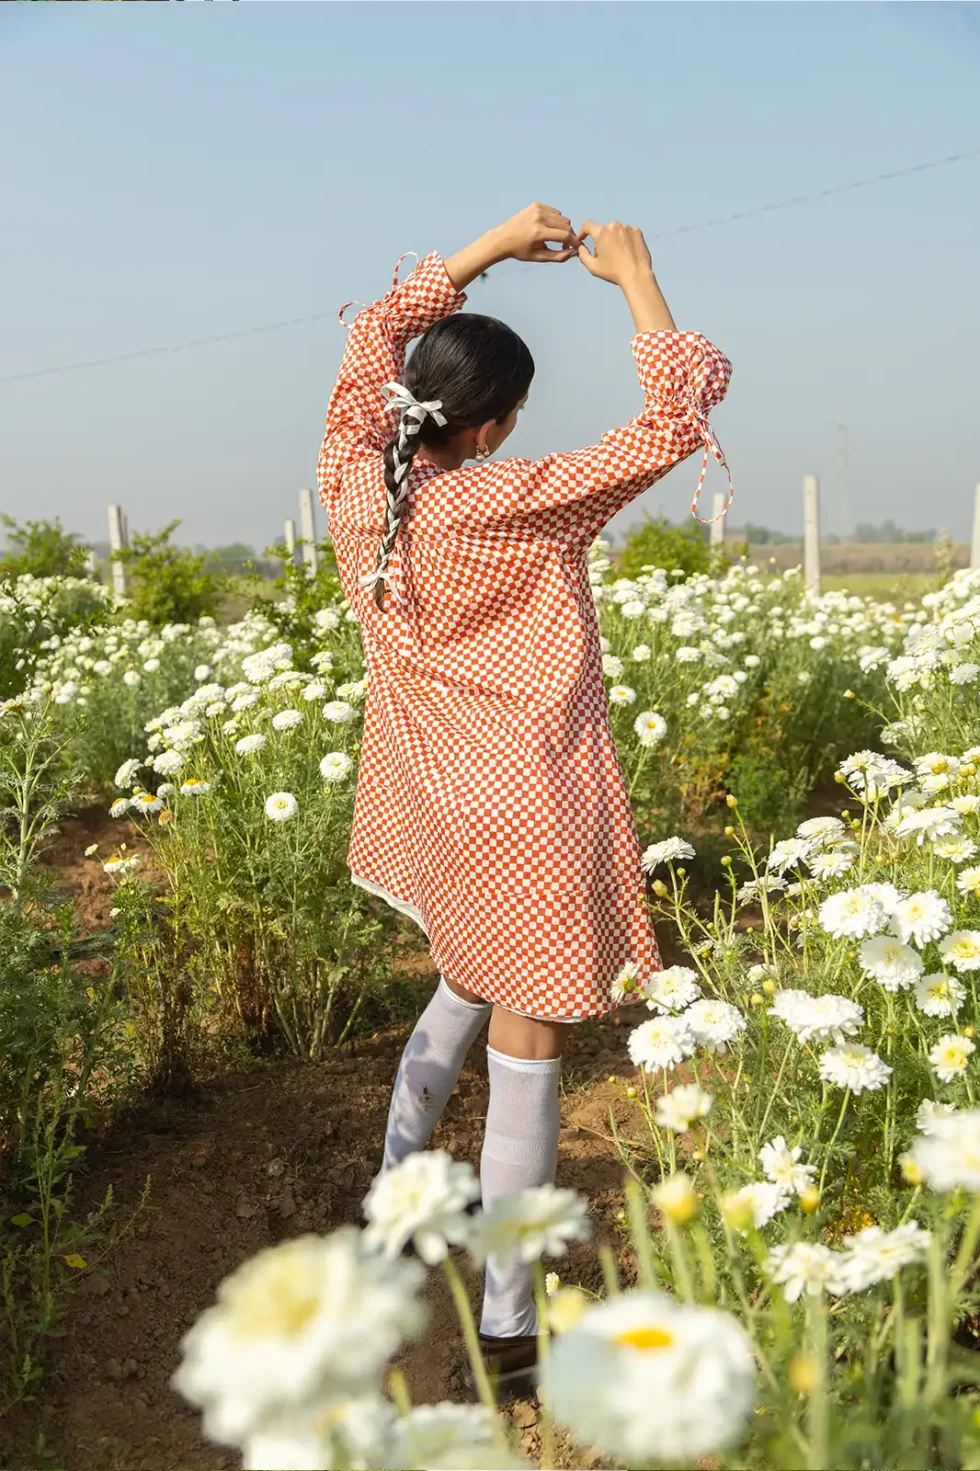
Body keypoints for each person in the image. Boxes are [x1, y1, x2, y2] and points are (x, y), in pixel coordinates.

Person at [316, 203, 732, 1391]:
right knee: (528, 1051)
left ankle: (397, 1199)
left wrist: (487, 248)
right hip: (532, 811)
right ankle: (505, 1324)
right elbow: (674, 418)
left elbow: (365, 345)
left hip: (435, 801)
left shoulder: (355, 474)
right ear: (492, 427)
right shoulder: (514, 497)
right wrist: (636, 276)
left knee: (459, 980)